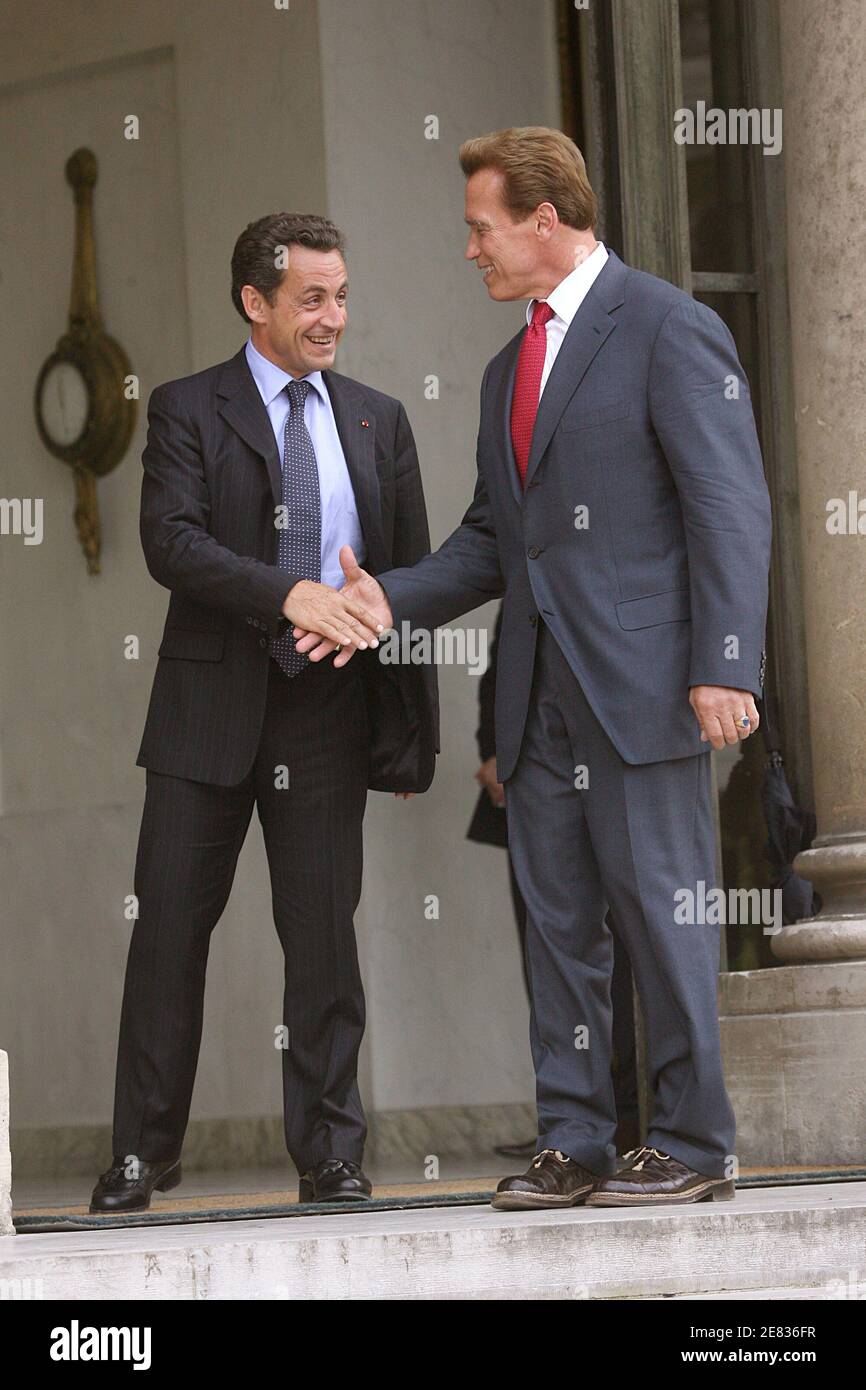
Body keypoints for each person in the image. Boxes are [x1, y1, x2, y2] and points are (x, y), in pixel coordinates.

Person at [295, 127, 772, 1209]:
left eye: (480, 228)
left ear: (542, 221)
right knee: (557, 923)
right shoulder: (507, 365)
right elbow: (488, 542)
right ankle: (576, 1139)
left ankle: (695, 1139)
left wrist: (724, 662)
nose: (470, 249)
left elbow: (727, 506)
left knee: (659, 909)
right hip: (536, 697)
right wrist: (384, 597)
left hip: (647, 683)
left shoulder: (664, 326)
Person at [90, 213, 437, 1213]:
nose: (333, 317)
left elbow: (407, 572)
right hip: (207, 707)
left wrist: (405, 725)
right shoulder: (189, 408)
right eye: (311, 299)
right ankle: (139, 1154)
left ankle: (330, 1151)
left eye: (340, 295)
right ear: (256, 301)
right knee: (166, 939)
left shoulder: (376, 418)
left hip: (325, 710)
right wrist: (287, 594)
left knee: (323, 939)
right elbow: (171, 541)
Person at [468, 605, 639, 1161]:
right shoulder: (529, 555)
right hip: (533, 775)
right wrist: (492, 750)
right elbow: (504, 667)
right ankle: (570, 1128)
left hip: (622, 760)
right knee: (548, 945)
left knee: (630, 952)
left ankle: (634, 1116)